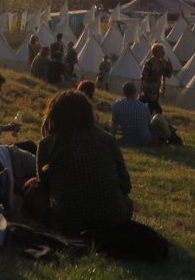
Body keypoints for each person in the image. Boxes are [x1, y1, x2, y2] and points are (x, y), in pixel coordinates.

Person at [36, 90, 132, 233]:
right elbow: (125, 185)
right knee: (128, 203)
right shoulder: (107, 140)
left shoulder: (47, 145)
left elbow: (44, 187)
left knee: (31, 188)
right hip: (114, 223)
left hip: (68, 225)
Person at [112, 82, 156, 146]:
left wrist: (111, 137)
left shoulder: (116, 106)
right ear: (135, 92)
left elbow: (115, 125)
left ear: (123, 92)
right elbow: (149, 124)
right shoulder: (144, 107)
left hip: (128, 140)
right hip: (145, 140)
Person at [139, 43, 173, 110]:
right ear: (156, 52)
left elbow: (168, 75)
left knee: (152, 109)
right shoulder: (149, 63)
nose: (163, 53)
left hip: (156, 90)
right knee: (156, 110)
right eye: (162, 51)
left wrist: (169, 65)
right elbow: (144, 76)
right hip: (148, 90)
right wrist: (154, 79)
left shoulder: (162, 63)